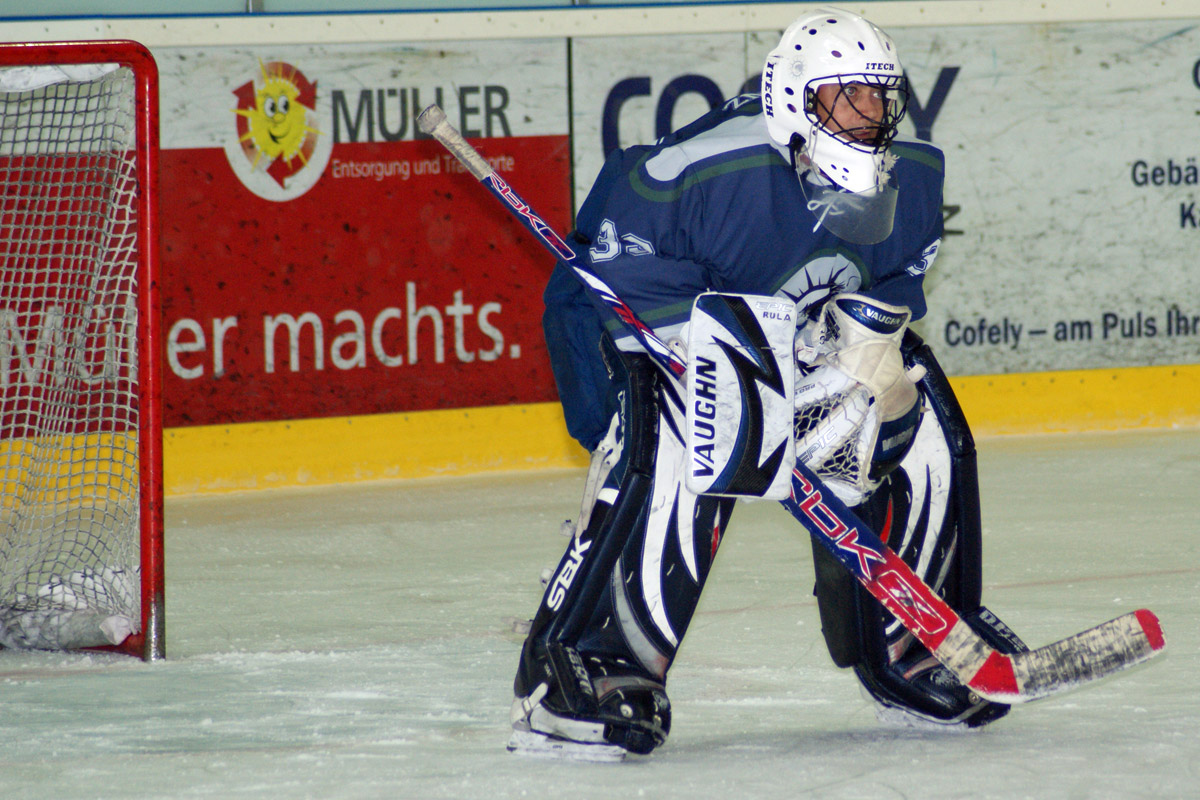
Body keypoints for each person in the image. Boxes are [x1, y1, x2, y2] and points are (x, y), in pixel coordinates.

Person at [509, 7, 1017, 761]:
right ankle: (590, 663)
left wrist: (856, 365)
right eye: (847, 96)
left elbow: (889, 290)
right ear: (794, 98)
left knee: (912, 411)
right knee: (686, 439)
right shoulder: (702, 175)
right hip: (630, 319)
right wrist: (732, 381)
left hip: (781, 333)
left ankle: (914, 645)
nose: (868, 114)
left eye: (879, 96)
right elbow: (619, 272)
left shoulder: (911, 176)